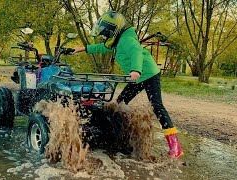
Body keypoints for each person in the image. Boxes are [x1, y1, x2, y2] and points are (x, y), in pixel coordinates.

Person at [73, 11, 183, 158]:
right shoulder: (116, 41)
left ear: (114, 30)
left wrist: (135, 69)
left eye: (105, 33)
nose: (104, 36)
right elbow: (101, 47)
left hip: (148, 73)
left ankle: (176, 147)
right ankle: (122, 136)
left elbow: (136, 51)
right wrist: (82, 49)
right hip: (137, 77)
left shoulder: (127, 39)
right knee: (119, 103)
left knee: (157, 106)